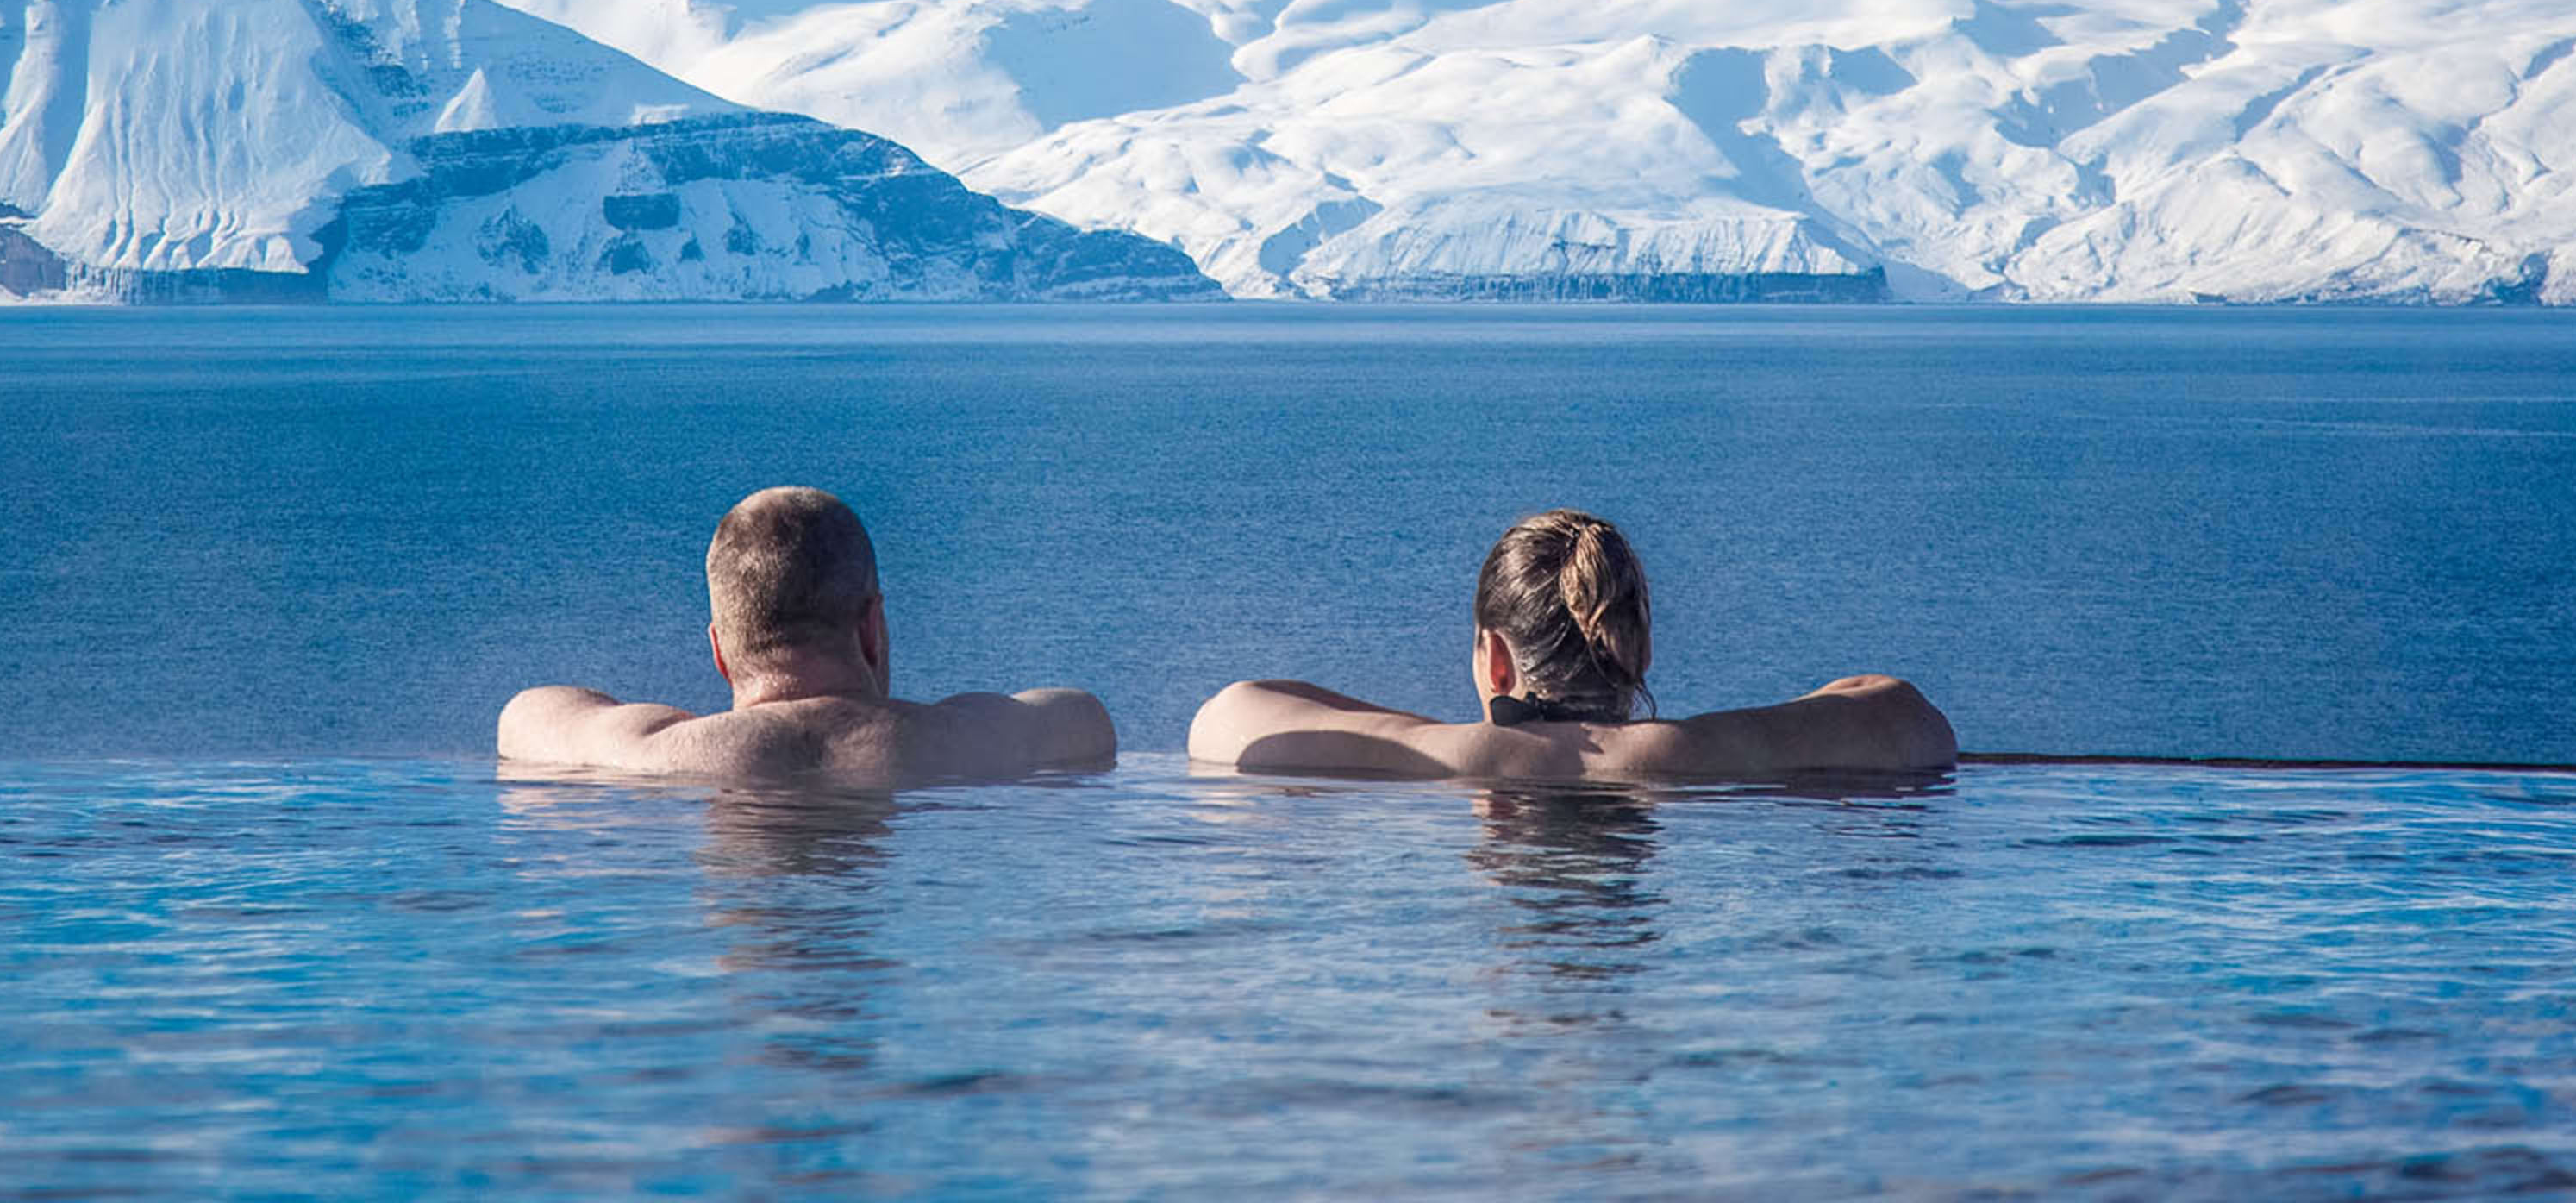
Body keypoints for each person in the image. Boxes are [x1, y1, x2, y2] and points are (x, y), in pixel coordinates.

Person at [1188, 509, 1954, 781]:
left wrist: (1440, 728)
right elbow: (1901, 710)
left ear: (1495, 656)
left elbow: (1229, 714)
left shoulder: (1440, 758)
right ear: (1636, 649)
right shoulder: (1708, 753)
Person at [499, 486, 1116, 783]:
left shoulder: (653, 754)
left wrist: (676, 727)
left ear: (719, 650)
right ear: (872, 626)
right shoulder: (967, 740)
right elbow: (1085, 715)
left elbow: (524, 714)